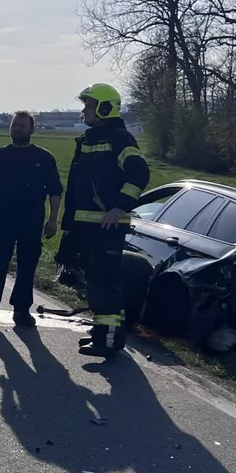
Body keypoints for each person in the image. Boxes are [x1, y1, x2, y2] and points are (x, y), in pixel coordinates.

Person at [58, 83, 150, 358]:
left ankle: (111, 340)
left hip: (107, 226)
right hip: (85, 224)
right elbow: (75, 186)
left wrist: (119, 207)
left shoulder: (120, 138)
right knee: (95, 282)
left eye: (89, 104)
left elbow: (139, 174)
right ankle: (101, 334)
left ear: (104, 108)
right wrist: (69, 227)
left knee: (107, 283)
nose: (84, 110)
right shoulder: (86, 141)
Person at [0, 110, 64, 328]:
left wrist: (53, 219)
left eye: (22, 126)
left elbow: (55, 191)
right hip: (4, 221)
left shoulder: (43, 158)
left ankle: (22, 311)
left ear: (32, 129)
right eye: (15, 125)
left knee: (28, 267)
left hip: (32, 222)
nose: (17, 129)